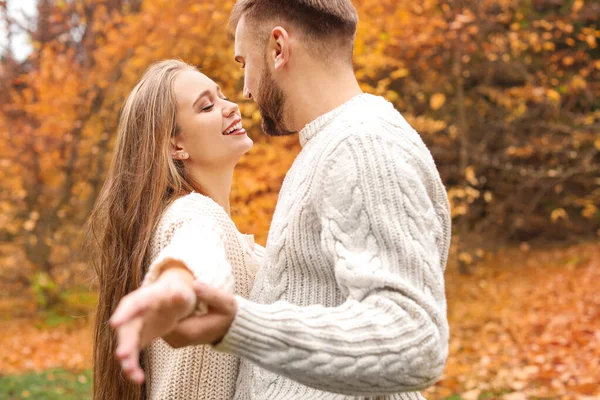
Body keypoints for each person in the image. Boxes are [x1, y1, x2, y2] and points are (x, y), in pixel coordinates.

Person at [111, 0, 452, 399]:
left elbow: (413, 339)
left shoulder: (363, 145)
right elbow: (199, 238)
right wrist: (182, 278)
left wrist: (235, 325)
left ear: (278, 48)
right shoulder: (327, 149)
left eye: (243, 64)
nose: (245, 91)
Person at [87, 59, 264, 400]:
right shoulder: (192, 213)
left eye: (222, 95)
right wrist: (179, 280)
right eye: (207, 105)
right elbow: (195, 247)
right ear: (175, 146)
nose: (230, 107)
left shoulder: (228, 235)